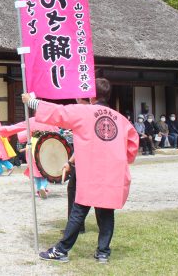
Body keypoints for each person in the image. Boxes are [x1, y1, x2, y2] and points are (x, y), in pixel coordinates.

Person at [22, 78, 139, 264]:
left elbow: (58, 112)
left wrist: (32, 102)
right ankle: (103, 253)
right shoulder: (120, 119)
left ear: (91, 95)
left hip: (92, 171)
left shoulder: (84, 112)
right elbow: (132, 146)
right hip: (113, 173)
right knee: (106, 213)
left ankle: (61, 251)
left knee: (78, 212)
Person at [0, 118, 59, 198]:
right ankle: (43, 187)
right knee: (45, 169)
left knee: (35, 169)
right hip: (46, 144)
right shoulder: (50, 122)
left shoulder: (32, 120)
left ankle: (38, 189)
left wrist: (3, 130)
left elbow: (18, 129)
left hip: (33, 145)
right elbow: (57, 133)